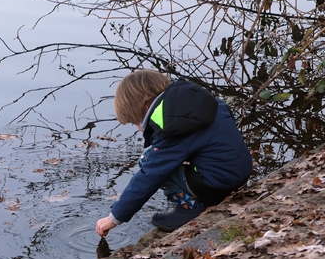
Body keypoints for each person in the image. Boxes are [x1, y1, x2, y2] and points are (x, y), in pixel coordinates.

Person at [96, 69, 252, 236]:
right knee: (167, 157)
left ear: (146, 107)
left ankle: (189, 209)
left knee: (148, 159)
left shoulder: (172, 128)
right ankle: (204, 196)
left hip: (218, 184)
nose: (138, 127)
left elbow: (150, 175)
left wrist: (115, 217)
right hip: (238, 174)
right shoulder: (197, 101)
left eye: (136, 121)